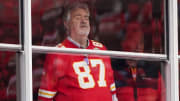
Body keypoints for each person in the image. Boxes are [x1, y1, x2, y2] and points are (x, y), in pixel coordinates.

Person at [38, 2, 117, 101]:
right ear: (66, 24)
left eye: (86, 18)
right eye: (78, 17)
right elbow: (45, 97)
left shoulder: (101, 49)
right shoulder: (58, 53)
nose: (83, 21)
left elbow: (112, 93)